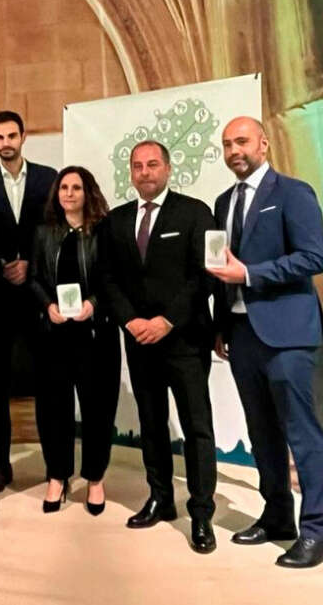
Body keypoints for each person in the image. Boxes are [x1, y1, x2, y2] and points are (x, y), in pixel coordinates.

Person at [209, 117, 323, 568]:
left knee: (301, 434)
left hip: (288, 335)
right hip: (243, 335)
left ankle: (319, 532)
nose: (234, 150)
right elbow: (222, 268)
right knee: (261, 433)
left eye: (241, 141)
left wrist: (250, 274)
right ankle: (278, 515)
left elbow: (313, 256)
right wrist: (221, 324)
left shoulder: (293, 192)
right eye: (226, 145)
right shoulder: (224, 201)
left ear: (263, 143)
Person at [101, 140, 218, 553]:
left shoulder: (196, 212)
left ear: (168, 169)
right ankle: (160, 498)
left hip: (184, 340)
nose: (145, 172)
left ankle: (202, 514)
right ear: (130, 174)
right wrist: (131, 321)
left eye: (152, 164)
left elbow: (205, 274)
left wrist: (166, 321)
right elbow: (108, 279)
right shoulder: (115, 221)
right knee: (151, 424)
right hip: (139, 341)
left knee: (196, 427)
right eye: (137, 166)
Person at [0, 110, 56, 492]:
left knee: (49, 381)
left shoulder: (48, 178)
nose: (6, 142)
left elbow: (55, 231)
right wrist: (3, 265)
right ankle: (0, 464)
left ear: (24, 136)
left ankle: (56, 466)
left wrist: (29, 265)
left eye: (11, 135)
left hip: (39, 295)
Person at [29, 167, 121, 515]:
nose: (69, 193)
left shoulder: (104, 232)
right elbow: (35, 279)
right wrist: (47, 306)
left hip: (96, 335)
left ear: (88, 192)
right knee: (54, 410)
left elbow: (114, 280)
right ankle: (57, 475)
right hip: (53, 336)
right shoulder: (43, 233)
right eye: (64, 187)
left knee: (98, 409)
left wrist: (92, 305)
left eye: (77, 187)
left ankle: (95, 478)